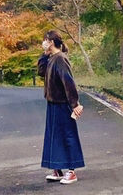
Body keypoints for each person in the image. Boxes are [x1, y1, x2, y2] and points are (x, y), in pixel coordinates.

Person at [37, 29, 85, 185]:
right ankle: (57, 168)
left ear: (51, 42)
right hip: (52, 103)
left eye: (46, 40)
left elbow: (68, 82)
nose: (44, 42)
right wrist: (44, 55)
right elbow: (41, 71)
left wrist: (75, 104)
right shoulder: (51, 58)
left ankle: (71, 171)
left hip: (63, 104)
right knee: (53, 136)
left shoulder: (60, 59)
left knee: (67, 135)